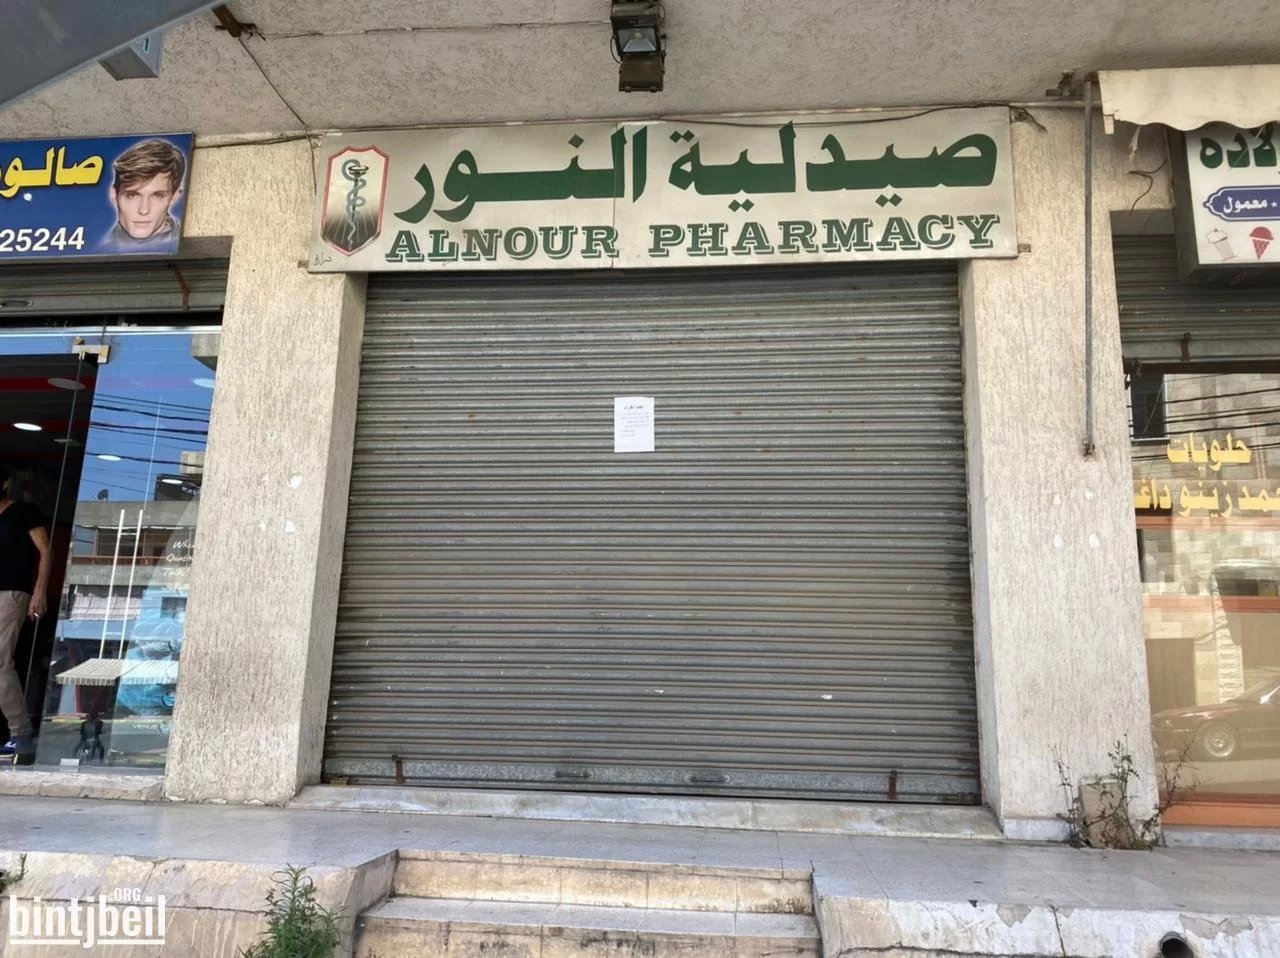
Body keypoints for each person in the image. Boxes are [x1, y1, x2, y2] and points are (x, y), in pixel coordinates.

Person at [0, 467, 51, 765]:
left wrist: (39, 592)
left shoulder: (23, 512)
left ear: (5, 483)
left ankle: (21, 734)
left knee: (0, 661)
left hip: (11, 594)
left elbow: (45, 551)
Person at [102, 138, 186, 250]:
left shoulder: (186, 241)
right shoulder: (96, 247)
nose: (143, 210)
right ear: (114, 194)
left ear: (174, 196)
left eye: (158, 196)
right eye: (132, 195)